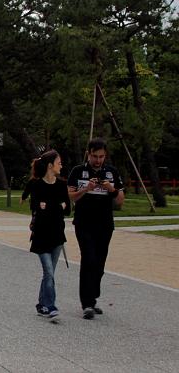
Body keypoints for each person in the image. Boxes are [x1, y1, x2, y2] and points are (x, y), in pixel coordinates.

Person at [68, 137, 125, 320]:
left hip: (105, 225)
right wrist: (86, 189)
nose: (98, 160)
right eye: (94, 156)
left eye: (101, 156)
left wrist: (111, 189)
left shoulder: (112, 172)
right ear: (88, 154)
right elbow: (71, 197)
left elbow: (120, 201)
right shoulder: (78, 171)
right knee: (89, 259)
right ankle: (86, 304)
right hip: (84, 224)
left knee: (99, 264)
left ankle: (93, 298)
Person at [27, 150, 71, 321]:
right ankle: (51, 306)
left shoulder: (61, 185)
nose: (61, 165)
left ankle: (41, 304)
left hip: (57, 235)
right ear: (50, 165)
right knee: (49, 272)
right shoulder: (37, 186)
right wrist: (55, 206)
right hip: (41, 235)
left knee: (49, 273)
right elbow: (37, 207)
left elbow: (67, 209)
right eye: (59, 162)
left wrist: (52, 206)